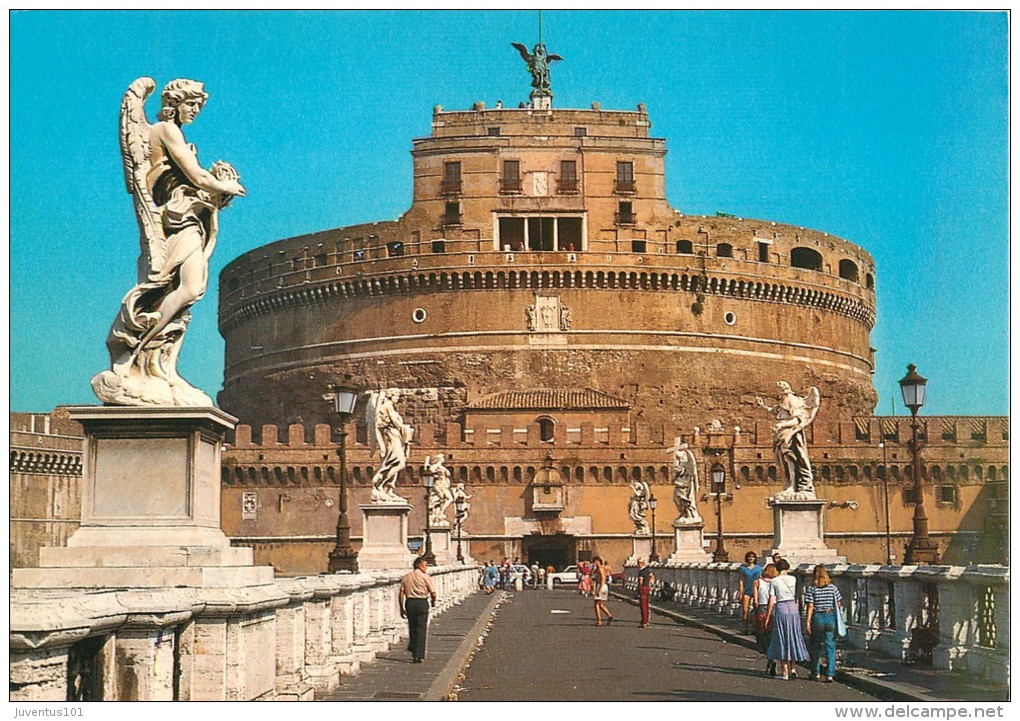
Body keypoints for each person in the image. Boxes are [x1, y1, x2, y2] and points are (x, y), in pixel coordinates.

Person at [765, 559, 809, 680]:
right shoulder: (793, 579)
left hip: (781, 607)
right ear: (788, 568)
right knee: (793, 637)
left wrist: (768, 616)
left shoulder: (774, 581)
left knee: (782, 639)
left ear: (777, 569)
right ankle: (793, 668)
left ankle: (785, 671)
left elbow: (772, 600)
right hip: (793, 608)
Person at [805, 565, 844, 682]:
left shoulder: (812, 588)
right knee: (830, 647)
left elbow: (810, 606)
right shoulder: (832, 588)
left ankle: (815, 672)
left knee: (815, 646)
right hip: (830, 616)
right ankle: (830, 674)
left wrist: (807, 621)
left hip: (818, 616)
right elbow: (839, 604)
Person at [399, 556, 437, 663]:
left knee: (412, 627)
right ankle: (419, 654)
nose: (426, 568)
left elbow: (401, 593)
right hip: (421, 603)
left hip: (410, 603)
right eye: (425, 565)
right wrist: (433, 601)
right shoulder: (426, 577)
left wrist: (401, 607)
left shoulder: (406, 577)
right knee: (421, 628)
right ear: (420, 565)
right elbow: (433, 592)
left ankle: (413, 648)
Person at [753, 564, 779, 676]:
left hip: (762, 608)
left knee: (762, 634)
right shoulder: (777, 582)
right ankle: (772, 658)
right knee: (772, 635)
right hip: (774, 608)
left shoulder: (757, 582)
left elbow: (755, 601)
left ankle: (769, 657)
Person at [738, 551, 762, 634]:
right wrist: (741, 591)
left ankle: (756, 628)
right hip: (747, 590)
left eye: (752, 557)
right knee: (745, 610)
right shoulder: (743, 568)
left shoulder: (758, 568)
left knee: (756, 609)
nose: (751, 558)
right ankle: (745, 628)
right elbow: (741, 580)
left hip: (757, 590)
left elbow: (761, 578)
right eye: (749, 556)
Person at [592, 557, 614, 626]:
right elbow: (594, 578)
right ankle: (609, 615)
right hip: (600, 586)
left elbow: (603, 579)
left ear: (599, 561)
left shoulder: (601, 568)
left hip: (602, 586)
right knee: (601, 604)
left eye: (596, 562)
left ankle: (599, 620)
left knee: (596, 604)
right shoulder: (597, 569)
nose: (595, 563)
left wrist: (600, 589)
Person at [636, 558, 655, 628]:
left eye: (639, 563)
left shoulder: (641, 572)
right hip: (647, 588)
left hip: (643, 588)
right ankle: (647, 621)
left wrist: (639, 589)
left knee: (643, 606)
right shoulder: (648, 570)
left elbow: (640, 582)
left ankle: (644, 621)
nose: (638, 564)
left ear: (642, 563)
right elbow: (652, 576)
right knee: (647, 605)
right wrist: (649, 583)